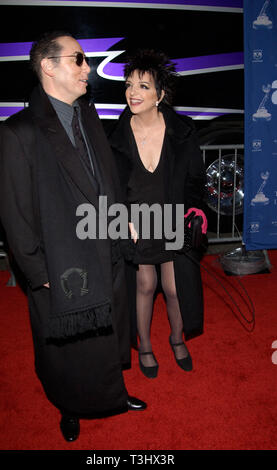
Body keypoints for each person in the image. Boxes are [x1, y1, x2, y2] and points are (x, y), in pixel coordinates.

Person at [0, 31, 146, 443]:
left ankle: (114, 392)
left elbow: (106, 178)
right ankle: (70, 405)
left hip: (105, 243)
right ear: (48, 65)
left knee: (110, 327)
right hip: (62, 262)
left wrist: (122, 217)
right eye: (78, 59)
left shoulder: (87, 115)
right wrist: (34, 268)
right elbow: (15, 212)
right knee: (68, 346)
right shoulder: (18, 132)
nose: (87, 69)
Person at [108, 49, 207, 379]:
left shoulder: (183, 132)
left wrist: (194, 210)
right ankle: (146, 346)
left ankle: (177, 339)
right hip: (138, 223)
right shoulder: (115, 137)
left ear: (160, 95)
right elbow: (110, 187)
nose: (133, 93)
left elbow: (195, 179)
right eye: (129, 85)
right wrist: (122, 216)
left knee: (176, 287)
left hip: (173, 219)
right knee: (146, 285)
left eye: (143, 86)